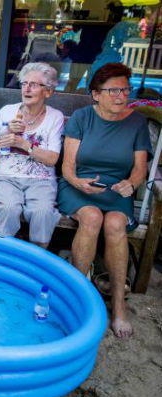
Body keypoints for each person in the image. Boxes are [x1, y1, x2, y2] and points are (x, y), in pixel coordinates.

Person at [58, 63, 152, 339]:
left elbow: (139, 168)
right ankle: (78, 298)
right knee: (93, 217)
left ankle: (119, 306)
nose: (121, 96)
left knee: (114, 224)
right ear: (96, 94)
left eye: (125, 89)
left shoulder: (136, 122)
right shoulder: (82, 117)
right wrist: (78, 183)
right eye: (113, 90)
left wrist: (131, 184)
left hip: (117, 190)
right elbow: (68, 166)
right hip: (79, 185)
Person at [0, 62, 64, 249]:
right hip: (7, 177)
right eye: (24, 83)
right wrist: (6, 133)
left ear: (48, 91)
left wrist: (23, 144)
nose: (27, 89)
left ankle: (34, 263)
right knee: (8, 208)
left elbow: (52, 159)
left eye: (34, 84)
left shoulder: (55, 117)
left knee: (43, 212)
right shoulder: (7, 112)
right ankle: (5, 258)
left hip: (41, 179)